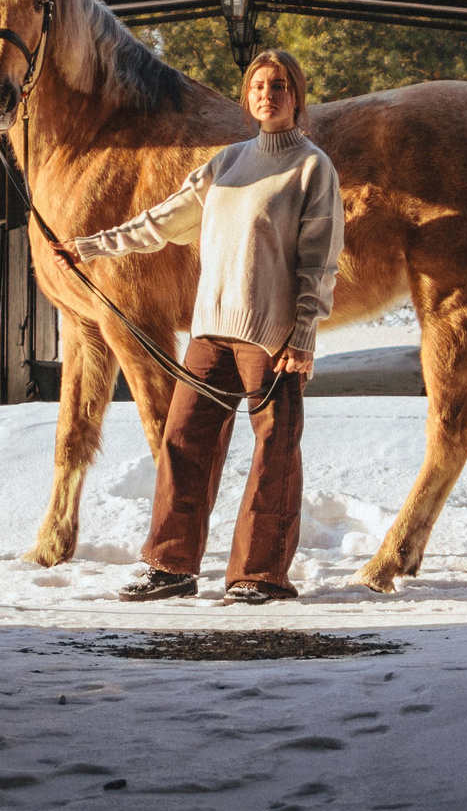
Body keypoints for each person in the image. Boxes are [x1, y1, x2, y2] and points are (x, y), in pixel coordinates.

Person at [66, 48, 343, 604]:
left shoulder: (313, 167)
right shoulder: (228, 162)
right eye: (260, 85)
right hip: (211, 330)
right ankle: (171, 568)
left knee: (275, 452)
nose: (269, 93)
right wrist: (89, 247)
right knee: (183, 440)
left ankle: (258, 576)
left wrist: (304, 334)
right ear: (247, 97)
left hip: (271, 335)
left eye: (281, 85)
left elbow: (320, 260)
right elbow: (163, 221)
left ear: (297, 96)